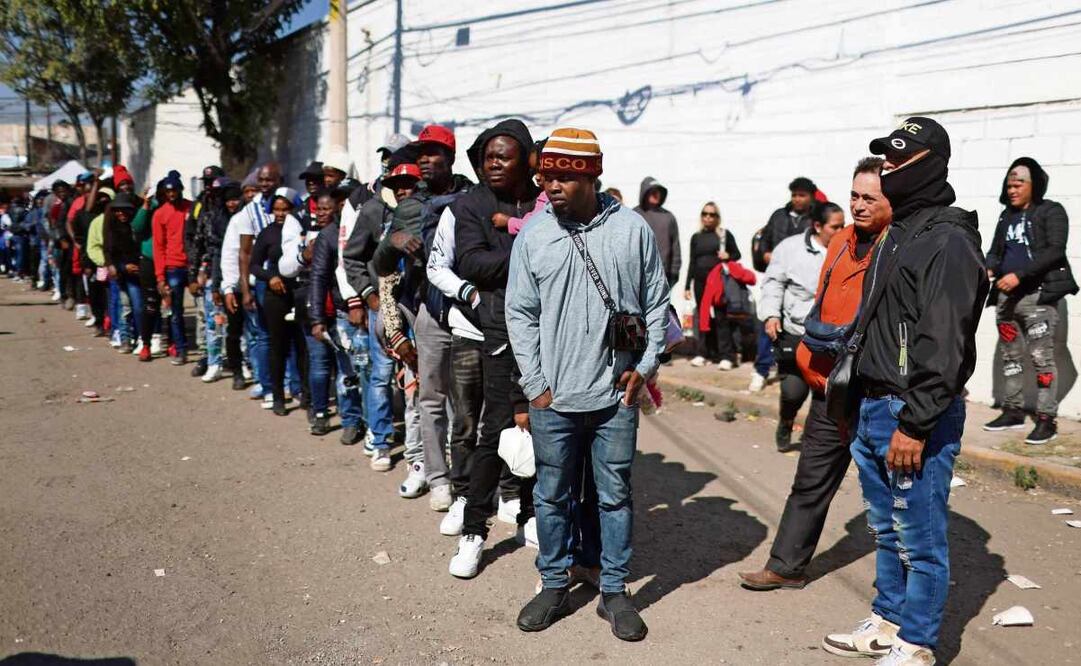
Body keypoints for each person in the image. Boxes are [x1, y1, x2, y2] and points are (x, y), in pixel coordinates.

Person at [823, 118, 988, 666]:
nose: (888, 169)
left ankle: (916, 643)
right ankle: (887, 622)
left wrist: (915, 423)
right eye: (884, 160)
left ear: (930, 165)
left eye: (899, 160)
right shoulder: (902, 233)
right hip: (874, 404)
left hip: (911, 414)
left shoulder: (948, 240)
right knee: (886, 529)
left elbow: (944, 344)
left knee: (919, 536)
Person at [507, 128, 668, 642]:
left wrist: (642, 368)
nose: (549, 185)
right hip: (554, 399)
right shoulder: (534, 234)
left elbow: (657, 304)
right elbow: (520, 314)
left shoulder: (632, 230)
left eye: (560, 177)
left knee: (614, 496)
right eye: (545, 176)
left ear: (589, 176)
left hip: (614, 399)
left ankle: (614, 591)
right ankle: (554, 583)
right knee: (552, 496)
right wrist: (536, 385)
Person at [738, 157, 891, 592]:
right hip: (828, 384)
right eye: (854, 196)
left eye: (870, 198)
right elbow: (823, 301)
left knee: (886, 497)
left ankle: (896, 601)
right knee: (809, 481)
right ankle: (787, 565)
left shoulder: (897, 247)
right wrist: (807, 356)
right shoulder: (841, 240)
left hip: (874, 392)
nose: (859, 206)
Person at [446, 119, 540, 578]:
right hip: (500, 331)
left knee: (547, 430)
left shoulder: (545, 198)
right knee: (495, 430)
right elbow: (471, 264)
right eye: (487, 157)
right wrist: (532, 250)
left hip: (552, 333)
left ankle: (530, 514)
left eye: (503, 156)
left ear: (526, 157)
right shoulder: (473, 203)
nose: (493, 163)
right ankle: (473, 532)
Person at [372, 125, 472, 477]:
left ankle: (469, 478)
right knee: (430, 399)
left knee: (470, 403)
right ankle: (437, 476)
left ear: (450, 157)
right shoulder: (411, 205)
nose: (424, 161)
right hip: (429, 311)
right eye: (420, 155)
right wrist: (393, 240)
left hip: (470, 312)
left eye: (432, 154)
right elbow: (380, 266)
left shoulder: (473, 197)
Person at [982, 157, 1077, 445]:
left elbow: (1055, 251)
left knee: (1041, 358)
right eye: (1009, 185)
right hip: (1006, 300)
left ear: (1034, 184)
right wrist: (987, 267)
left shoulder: (1051, 212)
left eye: (1019, 183)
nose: (1012, 189)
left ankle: (1047, 419)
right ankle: (1012, 410)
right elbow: (995, 252)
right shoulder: (1005, 216)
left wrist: (1019, 276)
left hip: (1038, 299)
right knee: (1010, 358)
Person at [760, 201, 846, 452]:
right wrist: (771, 316)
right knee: (793, 392)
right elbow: (773, 283)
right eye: (835, 226)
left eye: (843, 225)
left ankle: (817, 443)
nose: (841, 231)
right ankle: (787, 420)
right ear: (818, 226)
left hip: (833, 338)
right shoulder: (790, 249)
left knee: (827, 394)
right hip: (797, 334)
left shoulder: (848, 248)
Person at [305, 189, 366, 441]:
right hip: (344, 315)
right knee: (348, 371)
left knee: (371, 373)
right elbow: (318, 278)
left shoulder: (366, 227)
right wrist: (317, 319)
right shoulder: (329, 236)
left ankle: (372, 423)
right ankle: (351, 420)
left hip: (370, 311)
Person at [749, 176, 818, 392]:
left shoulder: (816, 219)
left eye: (802, 195)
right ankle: (761, 370)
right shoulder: (779, 216)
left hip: (800, 287)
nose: (797, 199)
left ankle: (798, 372)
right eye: (794, 195)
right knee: (769, 325)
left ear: (811, 196)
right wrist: (765, 253)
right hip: (777, 280)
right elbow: (764, 241)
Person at [249, 187, 307, 416]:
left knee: (302, 345)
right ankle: (278, 396)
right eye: (277, 209)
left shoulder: (301, 231)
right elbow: (254, 264)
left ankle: (304, 393)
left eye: (286, 209)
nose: (281, 214)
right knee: (278, 346)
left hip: (299, 292)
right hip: (276, 294)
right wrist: (269, 277)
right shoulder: (268, 233)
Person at [684, 202, 745, 369]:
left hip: (718, 281)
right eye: (705, 214)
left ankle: (726, 356)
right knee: (702, 318)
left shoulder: (723, 235)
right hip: (700, 282)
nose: (708, 217)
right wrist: (687, 286)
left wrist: (727, 255)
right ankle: (702, 353)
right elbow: (692, 261)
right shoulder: (696, 237)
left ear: (717, 217)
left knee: (721, 317)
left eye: (712, 214)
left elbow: (737, 254)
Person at [152, 174, 193, 365]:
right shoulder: (160, 214)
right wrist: (160, 277)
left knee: (204, 312)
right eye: (168, 191)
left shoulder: (191, 208)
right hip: (172, 268)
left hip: (192, 265)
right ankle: (181, 349)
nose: (171, 194)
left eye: (174, 190)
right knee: (175, 312)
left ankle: (207, 350)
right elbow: (158, 247)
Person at [634, 176, 680, 289]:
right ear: (644, 193)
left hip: (662, 276)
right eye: (653, 191)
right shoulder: (633, 215)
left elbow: (676, 247)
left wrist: (674, 273)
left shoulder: (669, 217)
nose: (656, 194)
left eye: (659, 192)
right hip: (636, 275)